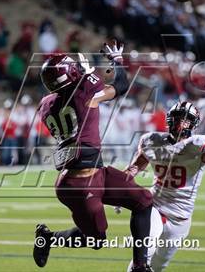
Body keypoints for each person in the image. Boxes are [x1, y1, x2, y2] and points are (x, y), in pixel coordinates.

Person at [34, 41, 154, 272]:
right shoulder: (83, 94)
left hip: (95, 172)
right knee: (96, 239)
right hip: (78, 185)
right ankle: (47, 238)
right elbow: (120, 84)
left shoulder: (46, 104)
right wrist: (117, 61)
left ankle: (140, 266)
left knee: (144, 201)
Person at [123, 101, 205, 271]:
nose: (180, 123)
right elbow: (135, 167)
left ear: (193, 123)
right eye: (177, 119)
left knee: (158, 265)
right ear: (169, 120)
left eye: (185, 120)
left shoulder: (198, 144)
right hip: (155, 206)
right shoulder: (152, 140)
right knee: (144, 253)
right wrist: (121, 188)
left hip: (181, 216)